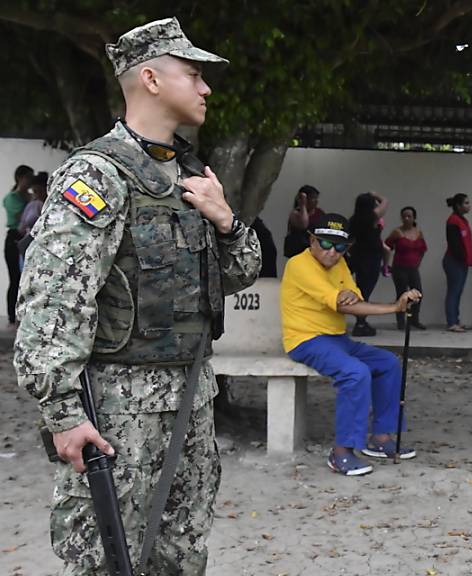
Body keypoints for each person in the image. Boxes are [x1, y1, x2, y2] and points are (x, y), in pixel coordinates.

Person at [13, 17, 261, 575]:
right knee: (107, 560)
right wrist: (61, 411)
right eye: (194, 74)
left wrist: (225, 221)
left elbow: (242, 273)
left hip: (193, 397)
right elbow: (52, 301)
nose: (206, 88)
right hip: (119, 407)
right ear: (149, 78)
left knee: (180, 552)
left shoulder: (192, 175)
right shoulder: (99, 175)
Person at [281, 212, 420, 476]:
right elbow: (342, 302)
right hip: (306, 340)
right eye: (325, 243)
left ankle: (380, 438)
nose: (332, 252)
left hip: (337, 340)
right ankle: (342, 451)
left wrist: (383, 303)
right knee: (355, 373)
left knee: (388, 364)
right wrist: (393, 307)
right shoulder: (299, 265)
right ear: (311, 241)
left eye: (340, 247)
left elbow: (354, 302)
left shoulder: (340, 264)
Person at [348, 191, 389, 336]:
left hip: (359, 257)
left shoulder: (353, 220)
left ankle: (361, 321)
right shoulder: (370, 217)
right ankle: (360, 323)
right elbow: (385, 201)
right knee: (365, 292)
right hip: (371, 259)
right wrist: (376, 194)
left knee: (361, 289)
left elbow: (350, 240)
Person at [386, 206, 428, 330]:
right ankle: (400, 321)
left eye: (409, 216)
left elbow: (423, 249)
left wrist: (418, 262)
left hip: (413, 268)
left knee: (418, 293)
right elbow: (387, 246)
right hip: (399, 267)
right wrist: (387, 263)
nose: (406, 218)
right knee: (401, 293)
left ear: (414, 217)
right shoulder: (397, 232)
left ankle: (415, 319)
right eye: (404, 216)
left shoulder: (418, 232)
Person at [5, 164, 32, 323]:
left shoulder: (30, 197)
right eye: (27, 178)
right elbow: (17, 216)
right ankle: (11, 317)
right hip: (14, 238)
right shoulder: (12, 197)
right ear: (20, 178)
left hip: (27, 239)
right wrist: (30, 202)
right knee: (14, 278)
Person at [443, 193, 472, 332]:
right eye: (466, 203)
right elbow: (455, 244)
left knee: (458, 291)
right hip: (454, 261)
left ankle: (456, 319)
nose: (469, 205)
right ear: (458, 205)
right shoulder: (453, 221)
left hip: (462, 262)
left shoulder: (463, 220)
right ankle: (451, 322)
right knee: (453, 292)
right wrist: (462, 258)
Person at [284, 184, 323, 257]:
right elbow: (304, 224)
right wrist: (302, 205)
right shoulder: (295, 213)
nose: (316, 201)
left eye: (316, 198)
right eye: (313, 198)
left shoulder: (320, 213)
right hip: (298, 250)